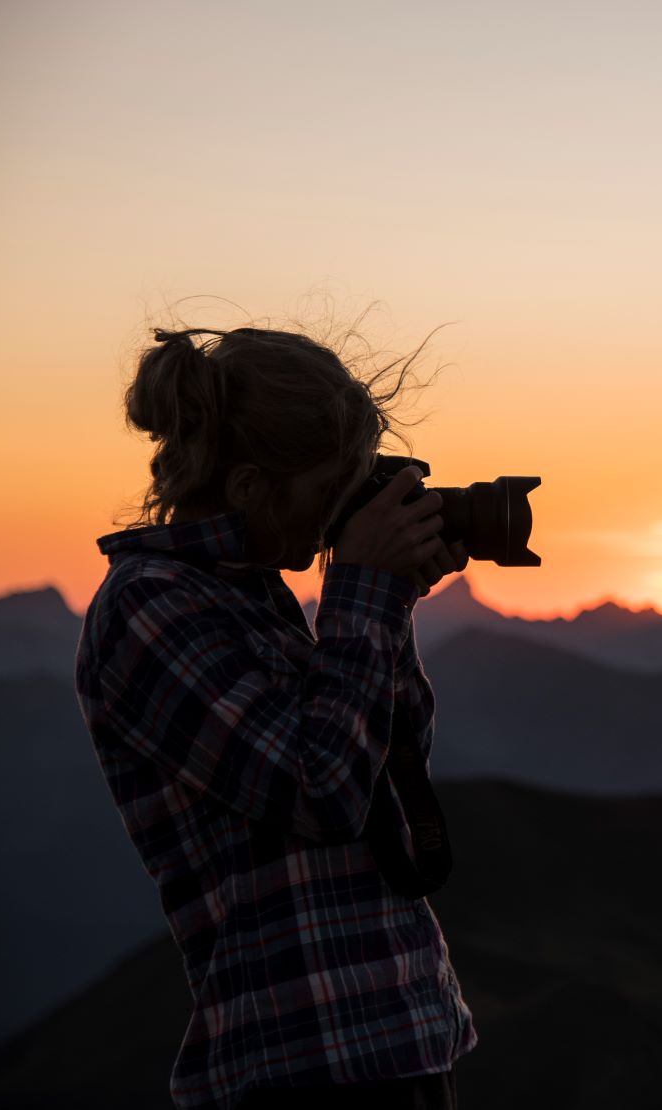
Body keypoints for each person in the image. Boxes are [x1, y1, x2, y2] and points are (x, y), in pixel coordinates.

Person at [73, 325, 478, 1110]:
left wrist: (391, 603)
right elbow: (320, 794)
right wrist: (362, 592)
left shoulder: (255, 593)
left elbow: (388, 779)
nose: (340, 511)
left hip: (396, 1041)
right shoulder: (151, 606)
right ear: (250, 485)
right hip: (301, 1065)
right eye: (331, 486)